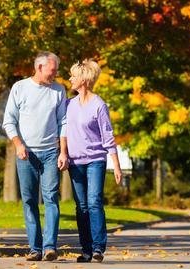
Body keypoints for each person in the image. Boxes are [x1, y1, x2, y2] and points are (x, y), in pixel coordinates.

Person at [2, 51, 68, 261]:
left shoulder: (59, 90)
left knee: (51, 199)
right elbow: (9, 121)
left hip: (50, 153)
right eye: (52, 71)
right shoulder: (20, 88)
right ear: (39, 68)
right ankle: (34, 248)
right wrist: (18, 144)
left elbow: (63, 122)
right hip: (26, 154)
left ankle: (50, 247)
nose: (55, 75)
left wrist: (63, 152)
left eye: (56, 71)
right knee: (29, 200)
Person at [66, 59, 122, 263]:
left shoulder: (99, 105)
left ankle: (98, 247)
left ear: (84, 79)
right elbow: (63, 131)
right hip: (75, 162)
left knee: (94, 202)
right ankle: (86, 250)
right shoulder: (68, 104)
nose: (70, 78)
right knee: (81, 206)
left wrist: (116, 165)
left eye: (74, 75)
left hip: (96, 160)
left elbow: (108, 136)